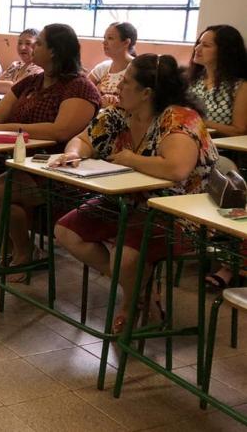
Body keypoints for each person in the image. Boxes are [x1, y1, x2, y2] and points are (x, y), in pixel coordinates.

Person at [51, 54, 217, 332]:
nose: (117, 86)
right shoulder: (118, 114)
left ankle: (130, 301)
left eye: (126, 82)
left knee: (126, 257)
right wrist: (72, 154)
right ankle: (143, 291)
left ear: (146, 93)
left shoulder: (179, 119)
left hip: (177, 211)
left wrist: (131, 159)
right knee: (67, 231)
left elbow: (176, 169)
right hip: (128, 201)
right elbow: (83, 139)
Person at [0, 23, 100, 280]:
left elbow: (60, 131)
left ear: (55, 51)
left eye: (40, 43)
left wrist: (5, 127)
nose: (32, 48)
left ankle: (24, 253)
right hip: (14, 158)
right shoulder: (30, 82)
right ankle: (14, 247)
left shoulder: (80, 88)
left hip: (52, 166)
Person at [187, 25, 247, 289]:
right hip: (191, 150)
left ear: (225, 52)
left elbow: (239, 129)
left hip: (221, 154)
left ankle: (230, 265)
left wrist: (201, 121)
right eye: (198, 43)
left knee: (230, 189)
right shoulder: (193, 82)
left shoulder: (239, 86)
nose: (198, 49)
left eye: (207, 45)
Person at [0, 28, 43, 94]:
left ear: (38, 46)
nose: (22, 47)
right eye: (19, 43)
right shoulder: (15, 66)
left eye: (28, 43)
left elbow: (15, 87)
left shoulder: (38, 69)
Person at [87, 22, 138, 108]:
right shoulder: (102, 68)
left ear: (126, 42)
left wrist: (115, 104)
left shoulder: (138, 69)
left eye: (110, 38)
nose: (104, 42)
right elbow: (83, 92)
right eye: (104, 38)